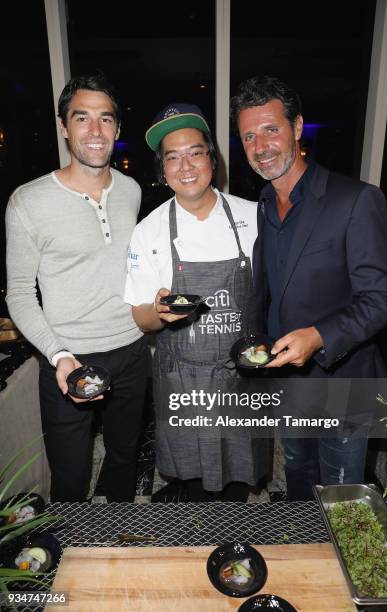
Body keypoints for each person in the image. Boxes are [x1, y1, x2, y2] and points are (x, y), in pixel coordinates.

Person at [231, 75, 387, 500]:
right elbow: (271, 290)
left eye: (271, 129)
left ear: (297, 127)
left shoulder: (356, 199)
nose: (260, 145)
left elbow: (382, 298)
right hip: (288, 384)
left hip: (342, 381)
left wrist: (320, 335)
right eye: (249, 136)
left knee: (340, 492)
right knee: (299, 477)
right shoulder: (265, 203)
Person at [6, 73, 148, 502]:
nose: (95, 131)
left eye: (105, 119)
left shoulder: (132, 191)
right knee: (71, 476)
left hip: (131, 350)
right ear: (64, 127)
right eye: (82, 118)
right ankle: (74, 557)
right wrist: (58, 354)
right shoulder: (27, 202)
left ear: (117, 129)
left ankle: (120, 546)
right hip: (68, 358)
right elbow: (18, 293)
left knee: (125, 459)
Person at [124, 103, 268, 502]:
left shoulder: (254, 218)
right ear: (163, 169)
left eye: (195, 152)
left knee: (238, 480)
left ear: (212, 159)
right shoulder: (148, 231)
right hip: (182, 379)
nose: (185, 166)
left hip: (241, 377)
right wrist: (160, 313)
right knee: (188, 486)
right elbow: (141, 317)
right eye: (173, 157)